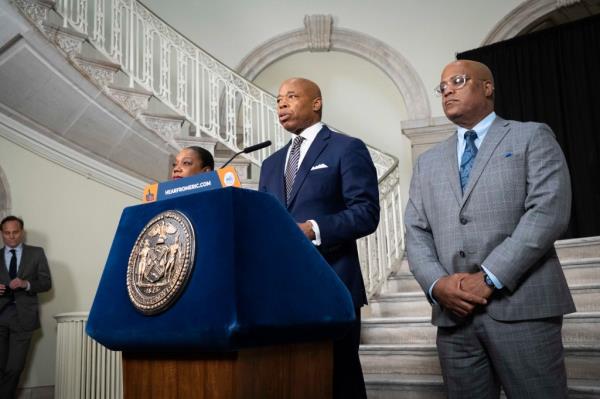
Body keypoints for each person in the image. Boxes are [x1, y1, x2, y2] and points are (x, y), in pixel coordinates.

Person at [404, 60, 575, 398]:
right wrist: (438, 284)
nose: (447, 90)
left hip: (522, 307)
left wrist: (489, 277)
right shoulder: (428, 161)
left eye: (458, 80)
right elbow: (416, 231)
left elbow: (548, 212)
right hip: (454, 317)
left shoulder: (531, 136)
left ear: (487, 87)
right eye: (443, 86)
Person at [258, 77, 380, 399]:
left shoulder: (346, 148)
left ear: (316, 103)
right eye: (279, 99)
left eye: (292, 96)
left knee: (339, 381)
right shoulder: (270, 164)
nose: (282, 103)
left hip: (333, 285)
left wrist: (314, 228)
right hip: (282, 293)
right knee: (292, 381)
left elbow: (366, 212)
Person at [0, 216, 52, 398]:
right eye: (7, 233)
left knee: (14, 367)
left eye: (15, 232)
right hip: (0, 317)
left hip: (24, 317)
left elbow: (46, 283)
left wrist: (26, 284)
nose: (11, 237)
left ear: (21, 232)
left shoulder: (36, 253)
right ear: (2, 234)